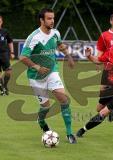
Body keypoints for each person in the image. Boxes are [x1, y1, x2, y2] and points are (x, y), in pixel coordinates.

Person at [19, 8, 77, 144]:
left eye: (53, 18)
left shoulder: (55, 33)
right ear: (42, 20)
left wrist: (68, 56)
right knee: (46, 107)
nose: (52, 21)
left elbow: (60, 45)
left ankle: (69, 133)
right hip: (36, 77)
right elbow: (22, 57)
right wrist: (36, 67)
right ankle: (41, 120)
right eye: (49, 19)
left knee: (64, 99)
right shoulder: (34, 37)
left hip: (52, 72)